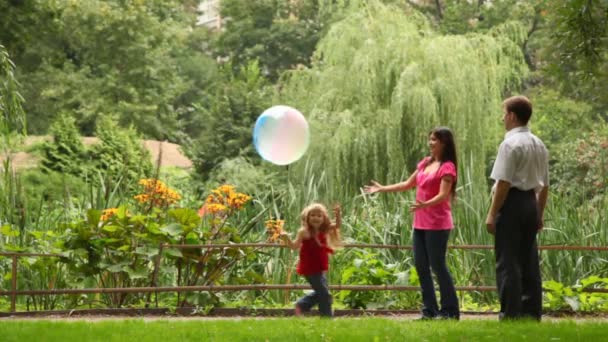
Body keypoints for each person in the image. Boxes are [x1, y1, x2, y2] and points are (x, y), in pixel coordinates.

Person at [364, 127, 460, 320]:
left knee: (438, 265)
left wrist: (426, 203)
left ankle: (450, 311)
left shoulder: (447, 166)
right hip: (420, 223)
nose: (430, 143)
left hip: (438, 224)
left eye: (435, 140)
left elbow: (443, 195)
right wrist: (382, 189)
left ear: (444, 143)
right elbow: (407, 184)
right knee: (422, 266)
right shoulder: (425, 163)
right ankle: (430, 310)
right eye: (430, 139)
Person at [485, 95, 549, 321]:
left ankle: (510, 313)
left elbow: (503, 183)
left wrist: (492, 213)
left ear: (512, 115)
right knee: (529, 259)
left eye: (504, 113)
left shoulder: (509, 144)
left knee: (508, 260)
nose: (503, 118)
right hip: (530, 202)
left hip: (511, 203)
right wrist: (539, 214)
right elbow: (545, 186)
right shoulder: (539, 144)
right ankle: (532, 312)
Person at [281, 203, 342, 317]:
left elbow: (337, 225)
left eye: (319, 216)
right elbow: (294, 246)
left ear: (324, 218)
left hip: (321, 266)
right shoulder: (303, 232)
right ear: (307, 217)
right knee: (324, 293)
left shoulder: (325, 229)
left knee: (323, 293)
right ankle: (325, 316)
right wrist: (286, 238)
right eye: (312, 215)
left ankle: (302, 305)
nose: (316, 218)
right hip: (309, 267)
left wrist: (338, 214)